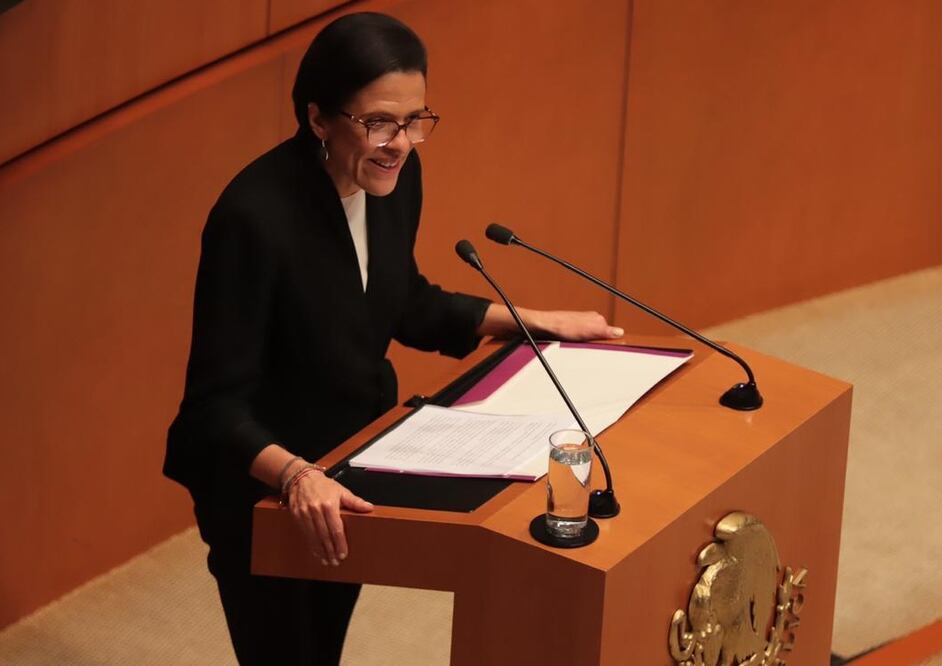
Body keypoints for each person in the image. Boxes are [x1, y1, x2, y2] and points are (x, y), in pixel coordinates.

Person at [164, 12, 624, 665]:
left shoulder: (393, 180)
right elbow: (212, 410)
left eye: (415, 121)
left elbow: (398, 299)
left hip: (350, 459)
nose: (400, 143)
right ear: (318, 118)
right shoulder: (253, 219)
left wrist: (526, 320)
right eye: (379, 122)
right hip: (265, 487)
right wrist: (297, 476)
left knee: (322, 646)